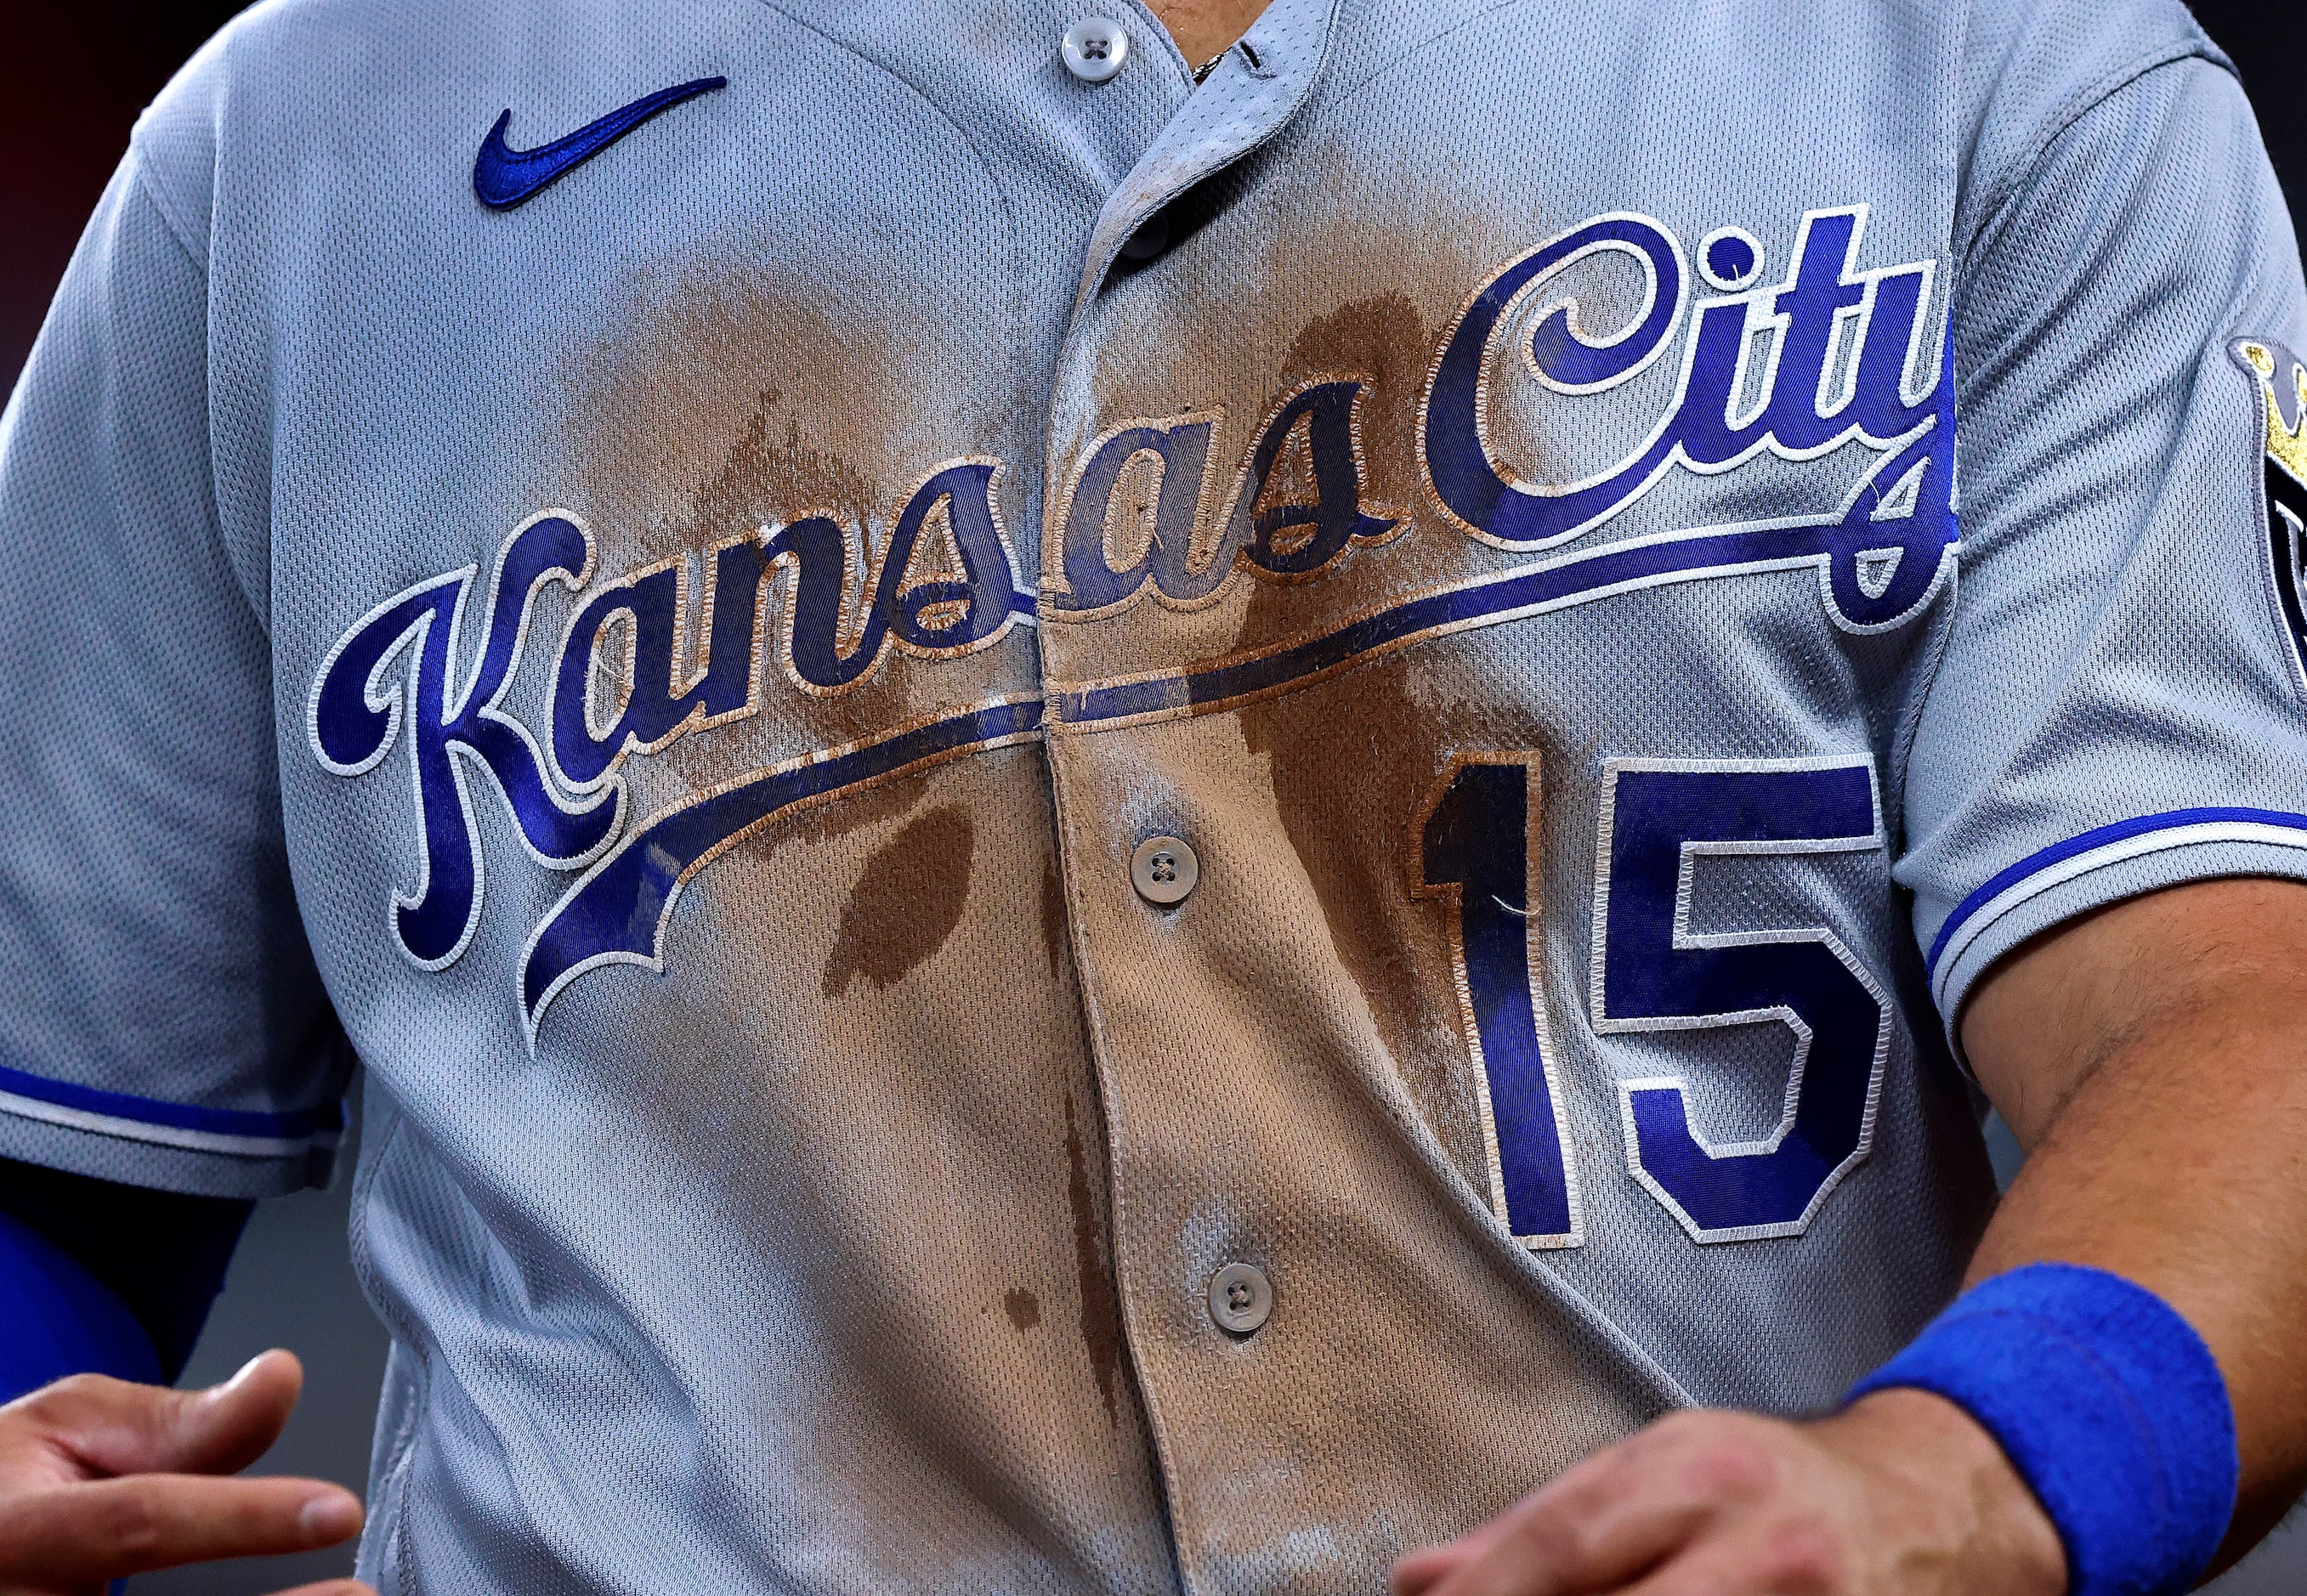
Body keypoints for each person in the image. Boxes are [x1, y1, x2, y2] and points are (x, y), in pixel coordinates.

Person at [1, 0, 2303, 1589]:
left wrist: (1979, 1469)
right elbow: (57, 1152)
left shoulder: (1976, 62)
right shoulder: (298, 158)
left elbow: (2230, 1009)